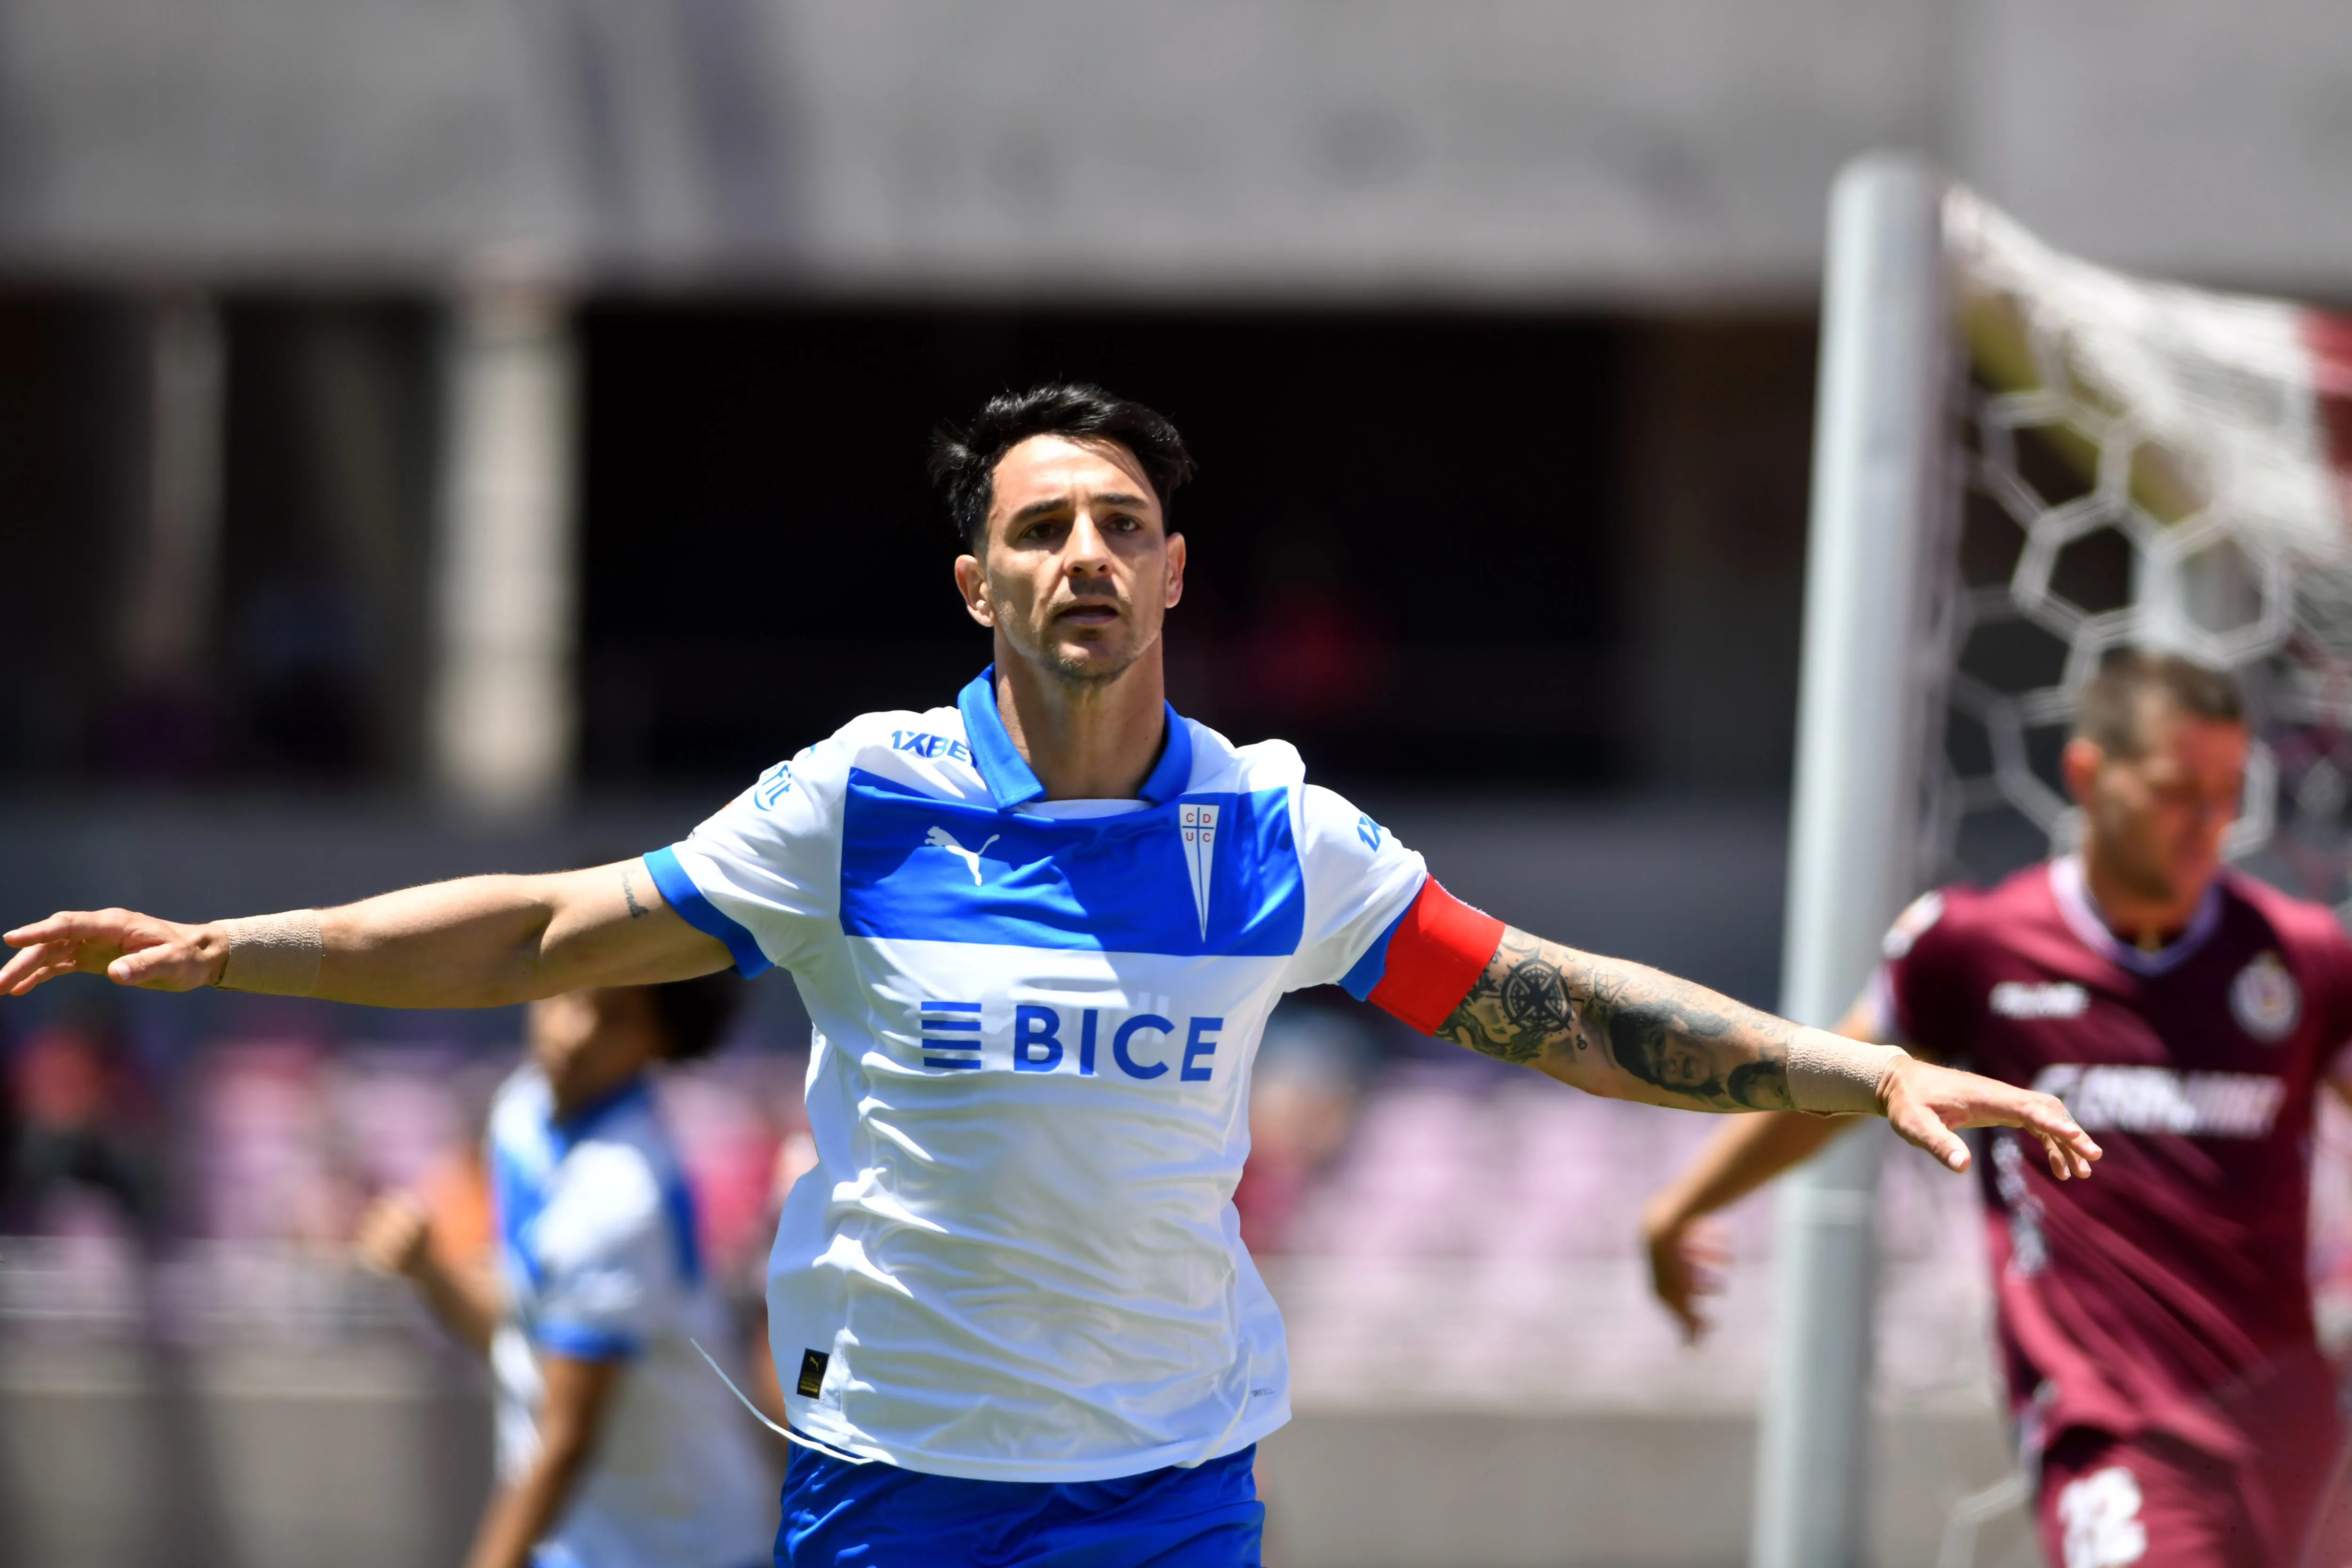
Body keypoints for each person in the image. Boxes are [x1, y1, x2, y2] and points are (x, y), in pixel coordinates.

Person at [2, 383, 2097, 1568]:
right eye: (1040, 527)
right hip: (888, 1486)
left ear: (1175, 570)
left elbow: (1552, 1002)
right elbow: (557, 926)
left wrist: (1839, 1067)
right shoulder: (861, 807)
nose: (1083, 551)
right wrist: (229, 944)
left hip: (1162, 1498)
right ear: (976, 579)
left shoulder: (1278, 835)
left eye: (1119, 521)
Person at [1641, 651, 2352, 1568]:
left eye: (2228, 794)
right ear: (2089, 774)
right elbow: (1827, 1084)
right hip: (2114, 1434)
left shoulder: (2298, 956)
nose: (2209, 825)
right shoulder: (1976, 947)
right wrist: (1685, 1202)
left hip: (2299, 1435)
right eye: (2180, 791)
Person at [353, 973, 773, 1568]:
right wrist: (432, 1274)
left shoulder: (620, 1197)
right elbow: (527, 1336)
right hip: (583, 1545)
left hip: (683, 1549)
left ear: (664, 1039)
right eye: (571, 994)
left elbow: (566, 1438)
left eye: (616, 1017)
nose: (573, 1032)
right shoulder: (522, 1112)